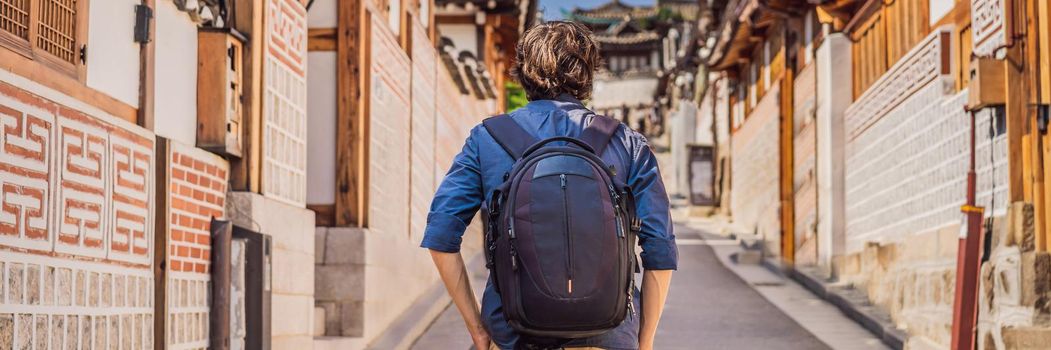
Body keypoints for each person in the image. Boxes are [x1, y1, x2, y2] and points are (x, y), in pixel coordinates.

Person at [421, 21, 678, 350]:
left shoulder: (488, 139)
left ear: (523, 72)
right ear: (587, 73)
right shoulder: (627, 143)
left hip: (512, 335)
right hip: (608, 335)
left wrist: (479, 331)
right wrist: (645, 341)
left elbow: (441, 236)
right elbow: (660, 251)